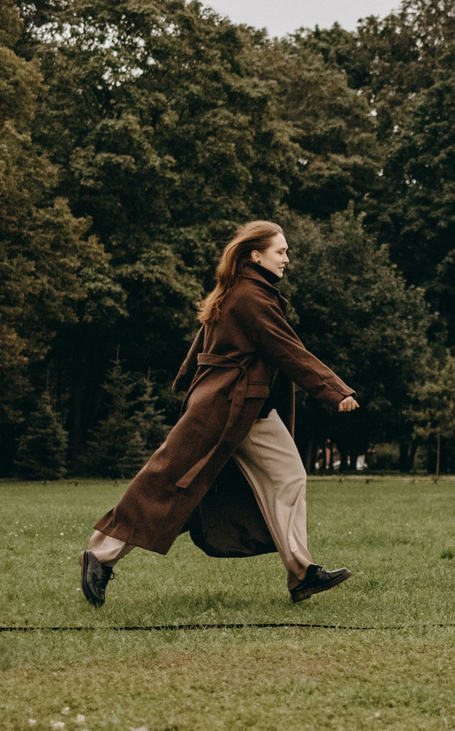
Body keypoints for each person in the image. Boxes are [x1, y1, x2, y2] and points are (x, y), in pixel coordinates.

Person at [81, 220, 361, 606]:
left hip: (250, 410)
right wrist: (334, 391)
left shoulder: (242, 291)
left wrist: (188, 382)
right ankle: (99, 556)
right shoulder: (250, 297)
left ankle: (301, 573)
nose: (287, 259)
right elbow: (288, 350)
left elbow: (204, 348)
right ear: (255, 255)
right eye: (281, 251)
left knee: (288, 477)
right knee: (166, 484)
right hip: (224, 408)